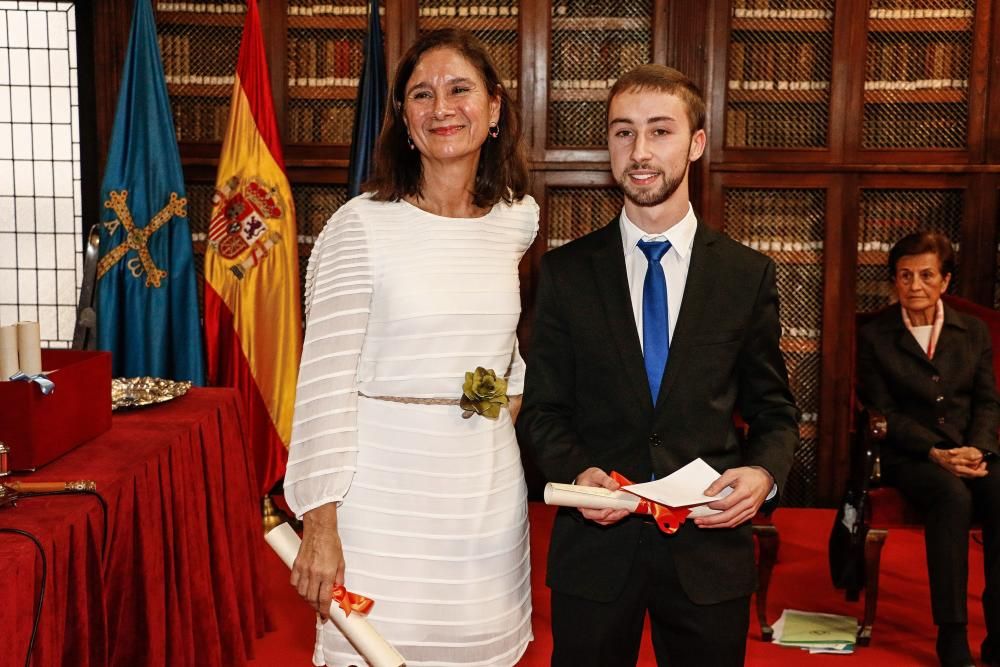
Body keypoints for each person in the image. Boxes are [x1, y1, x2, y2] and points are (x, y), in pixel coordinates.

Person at [516, 63, 799, 666]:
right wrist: (574, 471)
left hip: (708, 551)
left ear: (696, 144)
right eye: (623, 132)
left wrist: (763, 477)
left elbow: (775, 411)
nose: (639, 151)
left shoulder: (746, 275)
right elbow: (542, 408)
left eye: (660, 131)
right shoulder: (566, 273)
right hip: (595, 551)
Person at [283, 29, 536, 667]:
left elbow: (508, 343)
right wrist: (319, 522)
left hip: (485, 499)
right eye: (421, 94)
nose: (442, 108)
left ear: (495, 107)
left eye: (460, 90)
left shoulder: (517, 219)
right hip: (383, 498)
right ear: (402, 118)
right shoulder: (359, 226)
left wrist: (503, 405)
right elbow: (323, 381)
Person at [857, 231, 1000, 667]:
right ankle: (952, 633)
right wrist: (937, 452)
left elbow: (988, 401)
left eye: (926, 275)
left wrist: (977, 448)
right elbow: (880, 412)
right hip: (911, 456)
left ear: (945, 281)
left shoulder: (972, 331)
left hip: (972, 451)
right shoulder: (875, 335)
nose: (914, 285)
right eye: (904, 275)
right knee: (951, 497)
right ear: (893, 281)